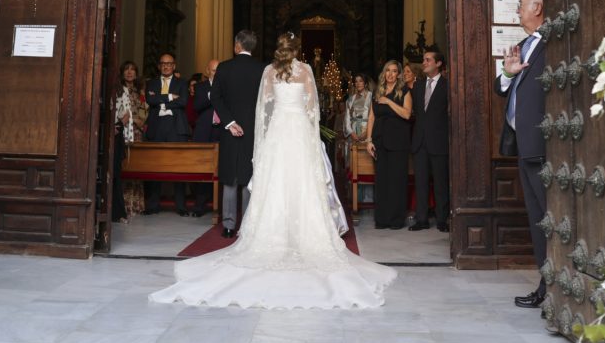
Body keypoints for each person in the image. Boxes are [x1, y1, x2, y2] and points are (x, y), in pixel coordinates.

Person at [149, 33, 397, 309]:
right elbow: (312, 108)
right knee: (301, 183)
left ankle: (271, 234)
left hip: (279, 131)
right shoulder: (305, 70)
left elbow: (264, 108)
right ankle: (305, 235)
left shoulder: (269, 71)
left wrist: (264, 140)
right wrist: (313, 139)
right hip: (300, 131)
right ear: (296, 50)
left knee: (277, 182)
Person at [495, 0, 548, 309]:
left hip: (542, 144)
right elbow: (503, 89)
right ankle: (546, 283)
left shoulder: (553, 44)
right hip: (524, 145)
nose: (517, 11)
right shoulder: (525, 45)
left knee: (548, 217)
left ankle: (552, 287)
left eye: (521, 5)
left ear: (537, 7)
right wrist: (507, 72)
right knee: (537, 218)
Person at [210, 30, 264, 238]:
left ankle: (229, 225)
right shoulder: (262, 69)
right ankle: (248, 224)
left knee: (230, 177)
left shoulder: (224, 67)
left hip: (230, 130)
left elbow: (215, 97)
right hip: (253, 130)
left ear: (237, 46)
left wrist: (230, 122)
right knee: (249, 176)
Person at [366, 60, 412, 230]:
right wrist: (369, 140)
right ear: (384, 73)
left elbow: (407, 115)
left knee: (397, 181)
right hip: (379, 141)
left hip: (399, 141)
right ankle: (382, 219)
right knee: (382, 181)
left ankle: (396, 220)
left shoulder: (404, 91)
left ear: (398, 74)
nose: (390, 74)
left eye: (394, 71)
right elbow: (371, 117)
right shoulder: (376, 92)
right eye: (388, 71)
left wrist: (389, 102)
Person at [143, 52, 191, 216]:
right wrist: (170, 96)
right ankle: (153, 204)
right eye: (163, 63)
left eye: (169, 63)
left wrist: (160, 100)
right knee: (155, 166)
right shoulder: (151, 83)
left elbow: (183, 101)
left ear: (174, 66)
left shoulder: (182, 83)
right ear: (159, 66)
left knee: (178, 167)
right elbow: (150, 101)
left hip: (176, 128)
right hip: (157, 127)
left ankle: (180, 205)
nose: (166, 66)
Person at [409, 49, 450, 232]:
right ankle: (422, 219)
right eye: (424, 60)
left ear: (438, 63)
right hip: (419, 142)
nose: (424, 62)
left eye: (428, 60)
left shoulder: (448, 86)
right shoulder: (417, 86)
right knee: (421, 182)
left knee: (441, 182)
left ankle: (442, 220)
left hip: (439, 141)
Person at [112, 60, 147, 221]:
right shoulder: (118, 89)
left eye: (132, 70)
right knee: (124, 165)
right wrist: (129, 120)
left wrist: (140, 120)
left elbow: (145, 107)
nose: (129, 72)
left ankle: (136, 204)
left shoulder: (140, 89)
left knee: (137, 166)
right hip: (124, 130)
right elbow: (118, 110)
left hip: (137, 132)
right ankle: (123, 204)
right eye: (126, 70)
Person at [189, 60, 219, 217]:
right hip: (204, 132)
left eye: (218, 70)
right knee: (202, 169)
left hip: (221, 131)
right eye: (213, 70)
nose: (216, 73)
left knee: (220, 170)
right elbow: (196, 107)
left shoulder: (226, 86)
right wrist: (211, 96)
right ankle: (199, 205)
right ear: (208, 71)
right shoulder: (200, 87)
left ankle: (219, 204)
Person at [345, 72, 375, 207]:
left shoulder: (371, 96)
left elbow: (372, 116)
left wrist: (366, 132)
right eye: (356, 81)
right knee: (353, 164)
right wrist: (351, 132)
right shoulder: (350, 99)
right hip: (354, 133)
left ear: (366, 83)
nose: (358, 84)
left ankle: (368, 199)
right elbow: (346, 117)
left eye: (361, 81)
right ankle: (355, 198)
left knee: (366, 164)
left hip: (366, 131)